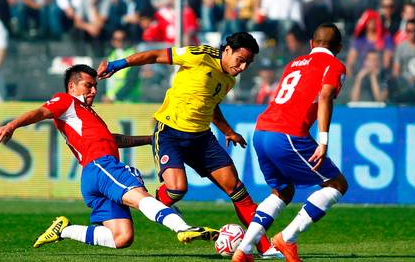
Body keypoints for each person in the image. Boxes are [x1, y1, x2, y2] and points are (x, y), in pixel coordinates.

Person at [0, 64, 218, 250]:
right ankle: (183, 228)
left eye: (95, 86)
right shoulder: (66, 101)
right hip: (101, 165)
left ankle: (63, 230)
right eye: (88, 86)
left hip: (93, 176)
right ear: (72, 86)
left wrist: (151, 138)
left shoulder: (87, 114)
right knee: (140, 196)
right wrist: (12, 125)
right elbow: (40, 112)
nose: (94, 91)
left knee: (121, 237)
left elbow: (115, 139)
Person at [97, 32, 281, 258]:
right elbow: (155, 56)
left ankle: (265, 248)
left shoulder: (229, 79)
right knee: (177, 189)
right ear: (227, 51)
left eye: (248, 63)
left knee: (238, 191)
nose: (243, 67)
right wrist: (117, 65)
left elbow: (210, 105)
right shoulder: (199, 55)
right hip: (170, 133)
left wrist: (228, 131)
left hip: (202, 138)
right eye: (240, 60)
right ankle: (155, 201)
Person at [232, 23, 349, 262]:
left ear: (311, 44)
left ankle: (243, 250)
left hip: (262, 130)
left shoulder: (294, 63)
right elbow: (325, 95)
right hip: (287, 133)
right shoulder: (334, 65)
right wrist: (323, 141)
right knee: (336, 184)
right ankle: (288, 238)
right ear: (339, 47)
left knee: (282, 191)